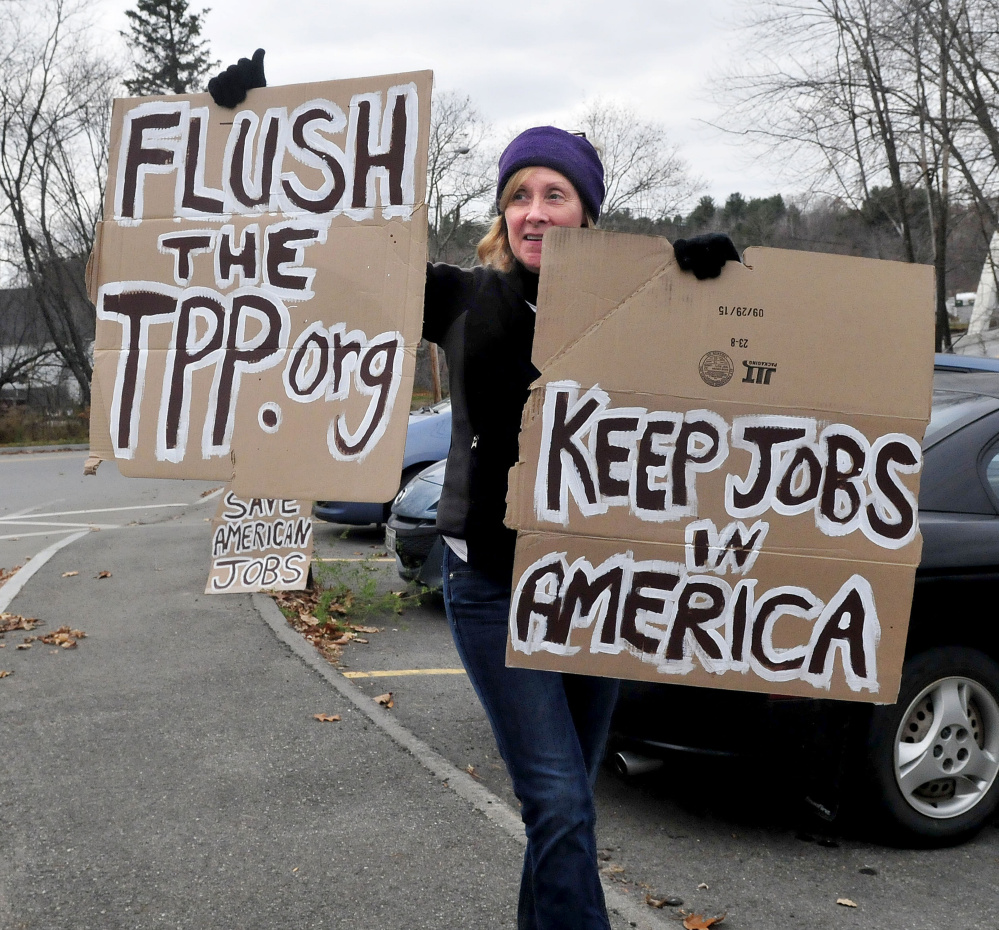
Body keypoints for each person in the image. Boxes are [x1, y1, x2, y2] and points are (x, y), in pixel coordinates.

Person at [209, 53, 740, 930]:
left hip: (599, 589)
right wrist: (248, 132)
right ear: (503, 211)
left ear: (587, 211)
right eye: (520, 192)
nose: (535, 209)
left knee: (563, 812)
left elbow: (739, 382)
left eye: (555, 193)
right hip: (492, 584)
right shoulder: (457, 298)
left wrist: (715, 281)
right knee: (561, 805)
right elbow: (316, 252)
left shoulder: (646, 303)